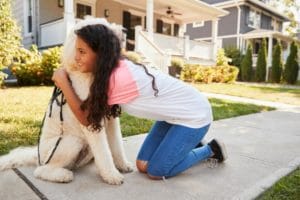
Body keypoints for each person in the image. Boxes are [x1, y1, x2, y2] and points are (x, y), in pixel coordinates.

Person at [52, 22, 227, 180]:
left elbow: (87, 119)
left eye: (82, 52)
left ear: (100, 54)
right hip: (174, 117)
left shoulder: (116, 79)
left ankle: (210, 149)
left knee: (157, 171)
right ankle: (186, 143)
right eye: (77, 50)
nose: (76, 57)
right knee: (142, 165)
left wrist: (64, 84)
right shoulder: (109, 71)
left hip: (195, 116)